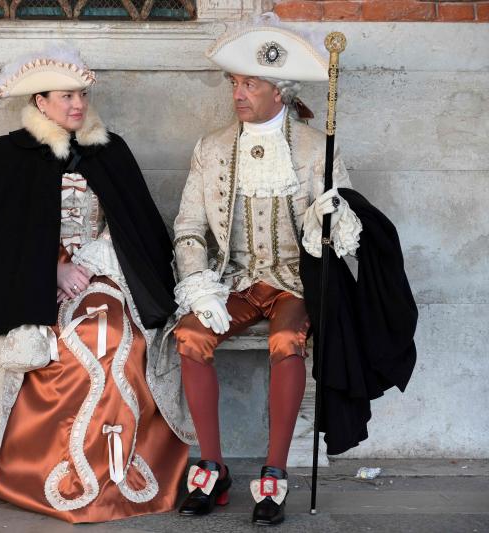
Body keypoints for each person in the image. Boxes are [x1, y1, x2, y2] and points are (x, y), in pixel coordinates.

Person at [0, 47, 195, 523]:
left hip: (103, 273)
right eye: (67, 96)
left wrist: (98, 258)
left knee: (109, 340)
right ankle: (43, 470)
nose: (78, 105)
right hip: (24, 282)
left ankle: (115, 472)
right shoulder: (6, 155)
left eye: (83, 95)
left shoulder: (111, 150)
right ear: (40, 102)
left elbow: (136, 226)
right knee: (52, 345)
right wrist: (50, 269)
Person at [170, 26, 362, 525]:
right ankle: (211, 468)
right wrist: (197, 285)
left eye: (249, 86)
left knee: (286, 343)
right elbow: (189, 226)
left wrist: (332, 214)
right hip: (233, 280)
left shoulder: (316, 147)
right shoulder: (211, 148)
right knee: (190, 334)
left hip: (295, 281)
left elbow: (348, 227)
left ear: (279, 92)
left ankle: (274, 473)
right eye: (234, 83)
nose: (237, 94)